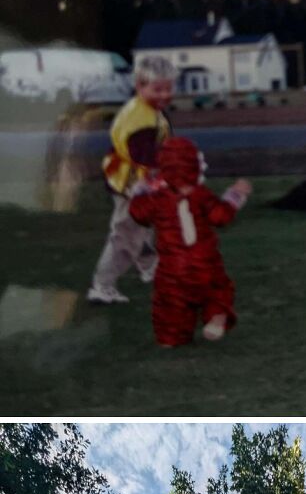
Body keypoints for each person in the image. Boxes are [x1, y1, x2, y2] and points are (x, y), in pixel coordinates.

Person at [128, 135, 251, 347]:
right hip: (204, 260)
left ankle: (171, 337)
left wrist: (141, 189)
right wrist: (235, 195)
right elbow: (220, 216)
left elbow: (138, 213)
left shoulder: (157, 199)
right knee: (217, 290)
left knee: (171, 302)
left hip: (172, 265)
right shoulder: (201, 195)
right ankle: (217, 317)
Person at [87, 55, 174, 304]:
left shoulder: (147, 109)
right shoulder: (140, 118)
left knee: (143, 228)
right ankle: (102, 285)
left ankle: (150, 267)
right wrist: (174, 165)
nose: (164, 94)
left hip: (134, 180)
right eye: (157, 89)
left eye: (168, 88)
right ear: (140, 86)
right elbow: (144, 155)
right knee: (126, 234)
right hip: (130, 184)